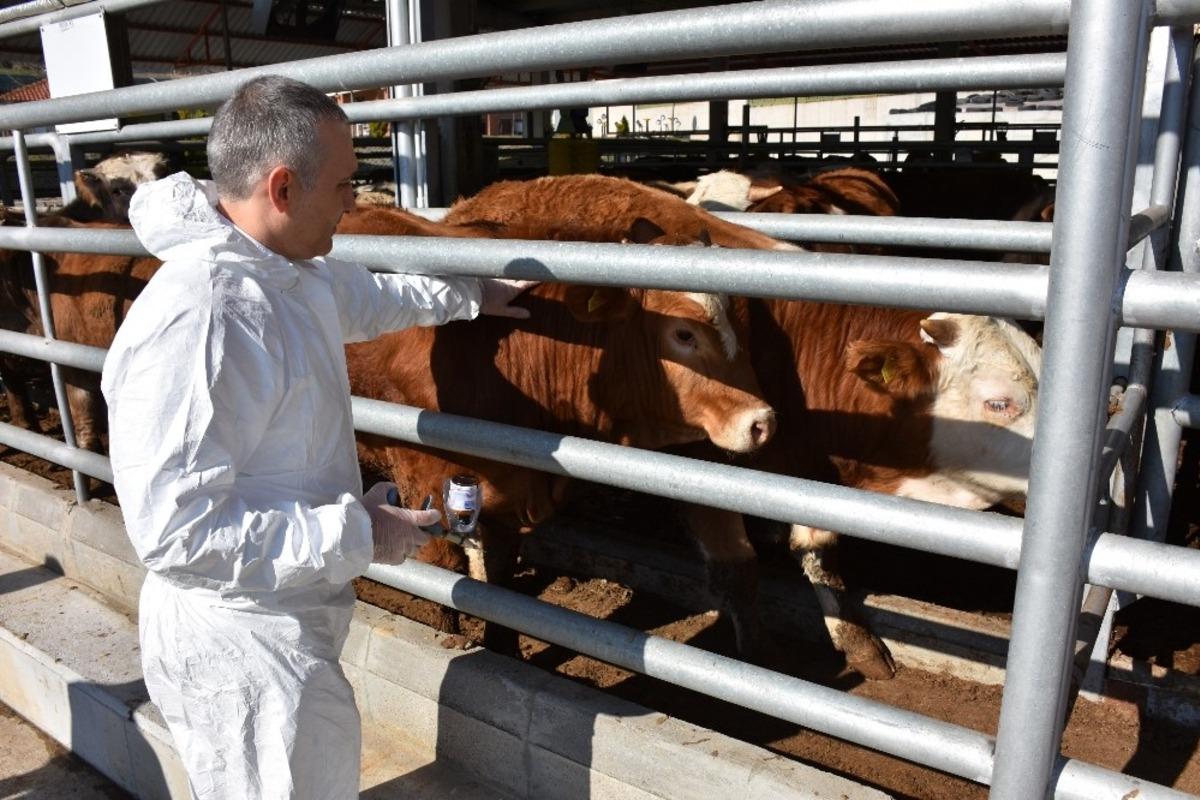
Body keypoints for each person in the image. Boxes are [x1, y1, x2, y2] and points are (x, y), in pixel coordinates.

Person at [100, 75, 534, 799]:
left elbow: (369, 296)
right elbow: (178, 534)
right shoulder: (204, 318)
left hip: (283, 621)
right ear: (281, 188)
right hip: (243, 652)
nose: (351, 203)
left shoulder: (283, 275)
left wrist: (470, 295)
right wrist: (357, 533)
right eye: (341, 186)